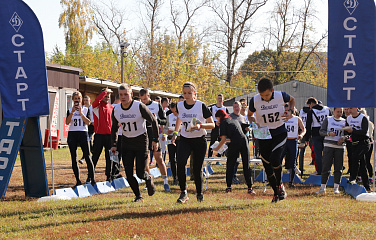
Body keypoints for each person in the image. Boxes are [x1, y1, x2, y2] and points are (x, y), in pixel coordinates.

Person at [248, 78, 295, 203]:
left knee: (275, 159)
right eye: (262, 95)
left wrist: (290, 111)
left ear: (272, 91)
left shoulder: (280, 95)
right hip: (263, 134)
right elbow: (249, 115)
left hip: (279, 132)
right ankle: (276, 193)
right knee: (267, 165)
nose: (265, 98)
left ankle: (279, 185)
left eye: (267, 95)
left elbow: (292, 100)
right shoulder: (255, 100)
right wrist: (254, 122)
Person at [110, 84, 158, 202]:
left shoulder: (139, 106)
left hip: (141, 140)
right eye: (121, 95)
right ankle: (138, 196)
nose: (123, 97)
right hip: (126, 142)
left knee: (141, 173)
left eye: (126, 94)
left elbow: (153, 121)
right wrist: (114, 144)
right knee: (129, 173)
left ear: (131, 94)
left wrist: (155, 140)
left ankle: (148, 178)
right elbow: (114, 128)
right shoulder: (116, 109)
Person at [171, 82, 215, 203]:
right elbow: (179, 118)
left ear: (195, 93)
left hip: (199, 140)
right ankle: (183, 192)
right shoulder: (180, 105)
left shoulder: (201, 105)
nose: (187, 95)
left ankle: (199, 193)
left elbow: (212, 124)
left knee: (196, 169)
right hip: (185, 139)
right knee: (180, 163)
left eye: (189, 93)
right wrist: (175, 133)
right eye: (184, 93)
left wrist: (200, 126)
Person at [213, 109, 256, 194]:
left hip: (235, 142)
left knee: (230, 164)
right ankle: (250, 188)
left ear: (219, 117)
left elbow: (224, 139)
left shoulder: (223, 123)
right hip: (244, 141)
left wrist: (217, 148)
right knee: (246, 164)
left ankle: (228, 187)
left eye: (217, 118)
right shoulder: (234, 120)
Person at [139, 89, 171, 191]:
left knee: (159, 159)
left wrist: (156, 120)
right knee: (145, 161)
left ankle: (165, 182)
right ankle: (149, 181)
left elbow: (164, 120)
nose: (143, 101)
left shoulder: (157, 105)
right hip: (143, 134)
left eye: (144, 99)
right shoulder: (138, 106)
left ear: (149, 96)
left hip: (154, 133)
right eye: (141, 99)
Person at [66, 91, 95, 187]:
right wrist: (73, 112)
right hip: (73, 133)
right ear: (73, 100)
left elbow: (88, 122)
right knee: (74, 158)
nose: (77, 100)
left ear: (81, 99)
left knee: (87, 156)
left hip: (83, 133)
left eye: (79, 98)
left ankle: (92, 179)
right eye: (75, 99)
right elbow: (67, 122)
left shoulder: (86, 109)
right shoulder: (70, 110)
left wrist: (81, 113)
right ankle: (78, 181)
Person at [316, 108, 346, 194]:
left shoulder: (344, 121)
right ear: (333, 111)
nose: (339, 114)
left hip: (340, 147)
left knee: (338, 168)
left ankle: (336, 187)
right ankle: (322, 188)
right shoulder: (328, 119)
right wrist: (329, 133)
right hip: (328, 146)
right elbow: (321, 131)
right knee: (326, 167)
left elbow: (348, 134)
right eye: (338, 112)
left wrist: (343, 138)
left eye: (341, 112)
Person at [92, 87, 119, 182]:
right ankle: (90, 176)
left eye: (108, 95)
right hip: (99, 135)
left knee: (110, 157)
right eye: (105, 95)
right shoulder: (96, 107)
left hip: (109, 136)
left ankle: (109, 175)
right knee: (95, 156)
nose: (107, 97)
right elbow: (96, 101)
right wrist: (104, 91)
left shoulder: (112, 107)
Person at [345, 108, 371, 191]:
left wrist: (353, 130)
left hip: (364, 143)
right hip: (354, 143)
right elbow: (346, 132)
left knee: (355, 157)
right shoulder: (348, 118)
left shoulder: (363, 118)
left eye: (351, 108)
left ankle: (353, 177)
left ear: (356, 109)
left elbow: (364, 132)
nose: (349, 110)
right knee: (362, 164)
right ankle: (366, 185)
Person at [304, 97, 331, 175]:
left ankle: (319, 171)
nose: (309, 107)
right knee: (328, 154)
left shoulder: (311, 111)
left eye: (309, 105)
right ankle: (328, 171)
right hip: (326, 133)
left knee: (318, 154)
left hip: (316, 134)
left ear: (312, 104)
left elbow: (308, 126)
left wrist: (307, 138)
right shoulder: (327, 109)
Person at [283, 106, 306, 187]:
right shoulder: (282, 118)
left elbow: (303, 128)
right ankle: (275, 180)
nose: (285, 112)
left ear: (292, 111)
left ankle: (291, 182)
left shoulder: (296, 119)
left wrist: (301, 135)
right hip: (283, 141)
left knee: (293, 161)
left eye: (287, 111)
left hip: (293, 141)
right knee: (278, 160)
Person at [229, 101, 250, 184]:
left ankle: (243, 177)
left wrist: (246, 129)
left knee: (242, 160)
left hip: (242, 140)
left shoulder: (243, 117)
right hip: (232, 141)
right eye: (234, 107)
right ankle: (232, 177)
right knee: (233, 160)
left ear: (241, 107)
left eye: (237, 107)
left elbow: (242, 131)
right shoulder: (230, 117)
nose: (236, 108)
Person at [208, 94, 229, 160]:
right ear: (216, 99)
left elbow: (227, 119)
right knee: (212, 142)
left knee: (221, 142)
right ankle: (209, 157)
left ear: (223, 100)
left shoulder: (225, 109)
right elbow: (209, 118)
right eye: (219, 98)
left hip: (222, 127)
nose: (220, 100)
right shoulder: (212, 108)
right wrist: (215, 122)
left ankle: (219, 158)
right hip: (214, 127)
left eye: (221, 98)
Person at [164, 101, 180, 185]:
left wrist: (178, 130)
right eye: (173, 111)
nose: (174, 113)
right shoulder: (169, 117)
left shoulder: (182, 116)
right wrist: (168, 131)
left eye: (176, 111)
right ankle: (175, 178)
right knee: (172, 159)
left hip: (180, 139)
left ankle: (181, 177)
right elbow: (164, 129)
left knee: (180, 159)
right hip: (171, 140)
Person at [78, 95, 94, 164]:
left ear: (90, 101)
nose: (85, 102)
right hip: (85, 126)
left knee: (88, 139)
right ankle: (93, 152)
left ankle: (83, 158)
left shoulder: (93, 108)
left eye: (87, 100)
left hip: (92, 126)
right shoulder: (83, 108)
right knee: (88, 142)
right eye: (84, 100)